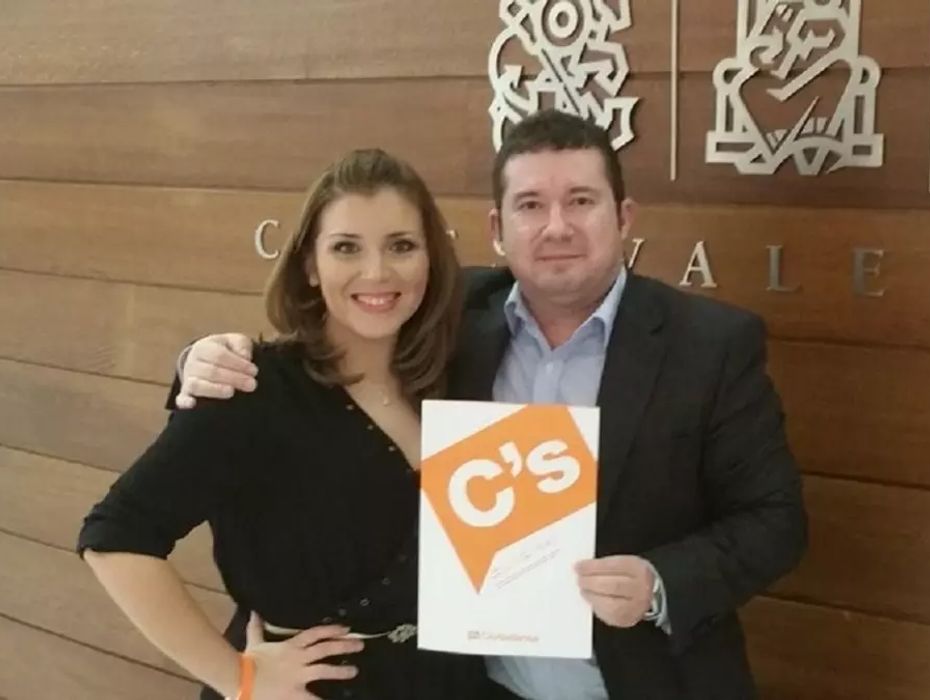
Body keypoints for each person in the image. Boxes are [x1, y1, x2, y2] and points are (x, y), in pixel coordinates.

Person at [175, 110, 807, 699]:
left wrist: (660, 583)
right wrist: (204, 361)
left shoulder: (710, 345)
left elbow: (775, 520)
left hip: (647, 684)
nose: (556, 226)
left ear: (624, 217)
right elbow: (326, 356)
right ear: (498, 230)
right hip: (473, 687)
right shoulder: (444, 317)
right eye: (530, 205)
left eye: (580, 201)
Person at [78, 148, 487, 699]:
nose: (377, 272)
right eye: (346, 247)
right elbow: (115, 537)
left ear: (432, 258)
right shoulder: (253, 389)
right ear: (310, 266)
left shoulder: (458, 375)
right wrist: (238, 678)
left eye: (401, 246)